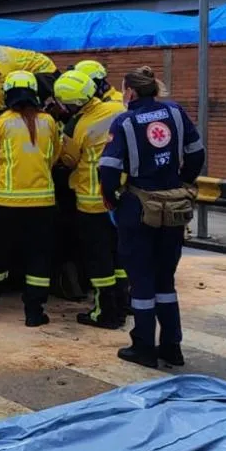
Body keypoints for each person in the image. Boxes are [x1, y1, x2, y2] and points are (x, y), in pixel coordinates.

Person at [99, 66, 205, 368]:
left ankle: (143, 346)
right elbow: (196, 153)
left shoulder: (124, 122)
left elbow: (108, 169)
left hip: (139, 208)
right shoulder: (175, 112)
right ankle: (172, 346)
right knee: (165, 280)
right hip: (173, 206)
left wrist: (114, 201)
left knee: (142, 280)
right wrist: (182, 183)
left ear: (130, 92)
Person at [0, 71, 60, 326]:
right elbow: (55, 156)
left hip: (7, 202)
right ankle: (34, 314)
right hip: (42, 204)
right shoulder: (48, 122)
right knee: (38, 258)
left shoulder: (2, 122)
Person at [53, 70, 127, 328]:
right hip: (120, 196)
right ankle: (122, 304)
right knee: (119, 255)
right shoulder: (119, 109)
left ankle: (104, 312)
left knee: (99, 259)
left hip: (91, 200)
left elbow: (69, 160)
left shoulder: (77, 126)